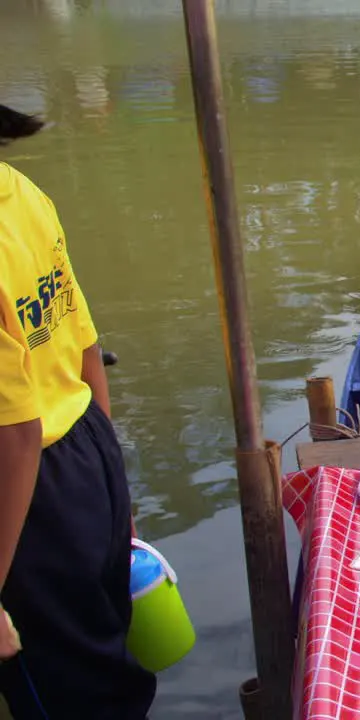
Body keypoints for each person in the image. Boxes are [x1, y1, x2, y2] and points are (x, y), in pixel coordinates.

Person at [0, 104, 155, 718]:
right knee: (104, 659)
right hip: (87, 451)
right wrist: (116, 486)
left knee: (61, 692)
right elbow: (85, 342)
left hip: (27, 500)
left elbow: (14, 433)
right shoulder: (21, 192)